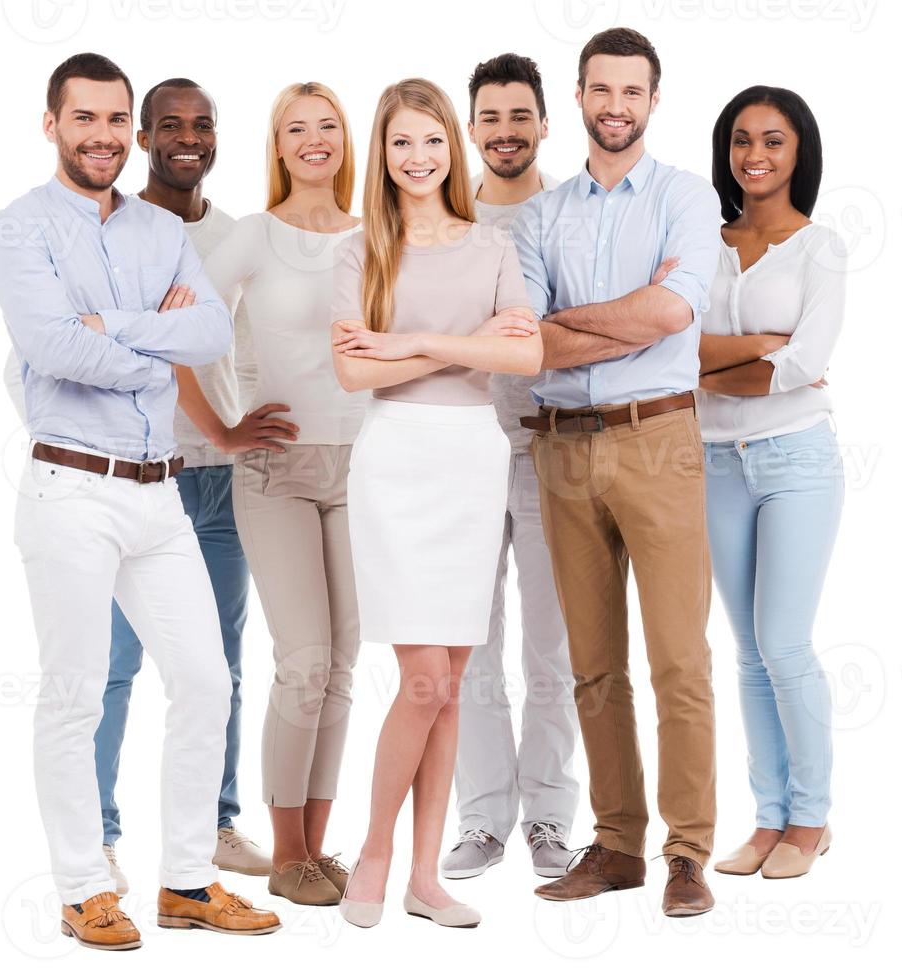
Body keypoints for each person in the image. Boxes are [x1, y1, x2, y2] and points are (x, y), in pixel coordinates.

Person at [0, 52, 279, 948]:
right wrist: (147, 353)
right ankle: (82, 888)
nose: (104, 137)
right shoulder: (20, 229)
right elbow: (48, 346)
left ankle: (187, 881)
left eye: (116, 121)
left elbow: (209, 330)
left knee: (205, 681)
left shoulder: (156, 229)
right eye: (86, 120)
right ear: (52, 125)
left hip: (159, 499)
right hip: (71, 487)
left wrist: (106, 327)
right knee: (75, 693)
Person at [510, 28, 722, 916]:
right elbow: (524, 342)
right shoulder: (538, 216)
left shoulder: (685, 196)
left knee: (678, 659)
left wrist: (585, 321)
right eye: (600, 90)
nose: (614, 107)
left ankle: (686, 854)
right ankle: (616, 844)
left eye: (630, 92)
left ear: (652, 99)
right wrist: (629, 318)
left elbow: (676, 311)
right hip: (559, 446)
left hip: (658, 441)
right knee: (591, 666)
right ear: (580, 95)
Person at [330, 78, 543, 929]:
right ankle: (374, 850)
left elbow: (523, 358)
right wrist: (468, 348)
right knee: (422, 680)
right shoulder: (360, 250)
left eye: (430, 141)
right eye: (399, 143)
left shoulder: (490, 244)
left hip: (470, 460)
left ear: (450, 147)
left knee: (450, 684)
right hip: (395, 462)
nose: (417, 158)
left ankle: (425, 875)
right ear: (380, 156)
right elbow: (353, 373)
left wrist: (412, 340)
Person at [197, 82, 369, 906]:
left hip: (366, 472)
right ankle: (287, 851)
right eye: (295, 128)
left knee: (342, 667)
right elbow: (181, 330)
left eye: (327, 126)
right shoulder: (254, 238)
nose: (313, 139)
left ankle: (317, 850)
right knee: (303, 661)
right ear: (276, 145)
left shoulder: (377, 235)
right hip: (277, 471)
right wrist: (227, 427)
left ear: (346, 139)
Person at [698, 86, 845, 880]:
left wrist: (726, 361)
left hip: (795, 461)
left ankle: (811, 820)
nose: (755, 154)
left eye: (774, 141)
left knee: (783, 643)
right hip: (715, 463)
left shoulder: (819, 248)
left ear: (798, 153)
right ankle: (767, 819)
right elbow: (678, 356)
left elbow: (805, 365)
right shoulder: (705, 241)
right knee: (748, 653)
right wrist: (757, 347)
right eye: (742, 139)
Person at [440, 52, 579, 883]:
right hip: (458, 448)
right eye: (489, 117)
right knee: (471, 642)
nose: (504, 132)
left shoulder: (571, 214)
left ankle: (551, 819)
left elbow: (575, 335)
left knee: (552, 646)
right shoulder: (449, 217)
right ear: (470, 128)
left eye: (518, 116)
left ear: (542, 123)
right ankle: (483, 819)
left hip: (551, 446)